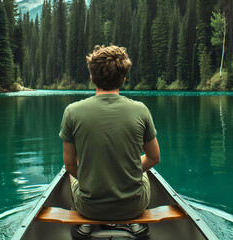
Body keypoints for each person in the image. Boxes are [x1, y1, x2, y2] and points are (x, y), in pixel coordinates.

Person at [59, 45, 160, 239]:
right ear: (123, 79)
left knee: (70, 173)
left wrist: (94, 179)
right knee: (149, 174)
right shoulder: (141, 110)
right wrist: (126, 173)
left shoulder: (72, 112)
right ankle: (135, 224)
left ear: (91, 78)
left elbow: (70, 165)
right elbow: (154, 158)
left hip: (89, 207)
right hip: (133, 206)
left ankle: (85, 226)